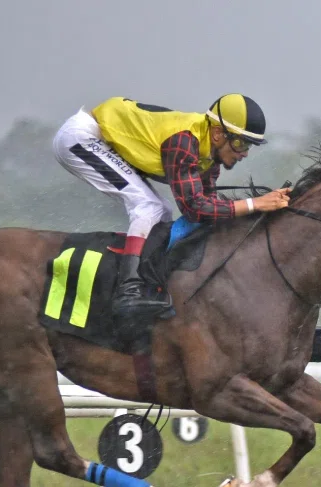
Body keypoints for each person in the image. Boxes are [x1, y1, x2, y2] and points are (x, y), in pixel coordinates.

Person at [52, 94, 291, 320]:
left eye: (249, 146)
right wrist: (255, 203)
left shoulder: (209, 158)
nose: (244, 153)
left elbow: (209, 211)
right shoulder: (184, 141)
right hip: (81, 138)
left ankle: (144, 281)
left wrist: (260, 209)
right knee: (149, 206)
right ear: (218, 134)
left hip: (104, 141)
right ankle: (129, 289)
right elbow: (195, 208)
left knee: (162, 210)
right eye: (240, 143)